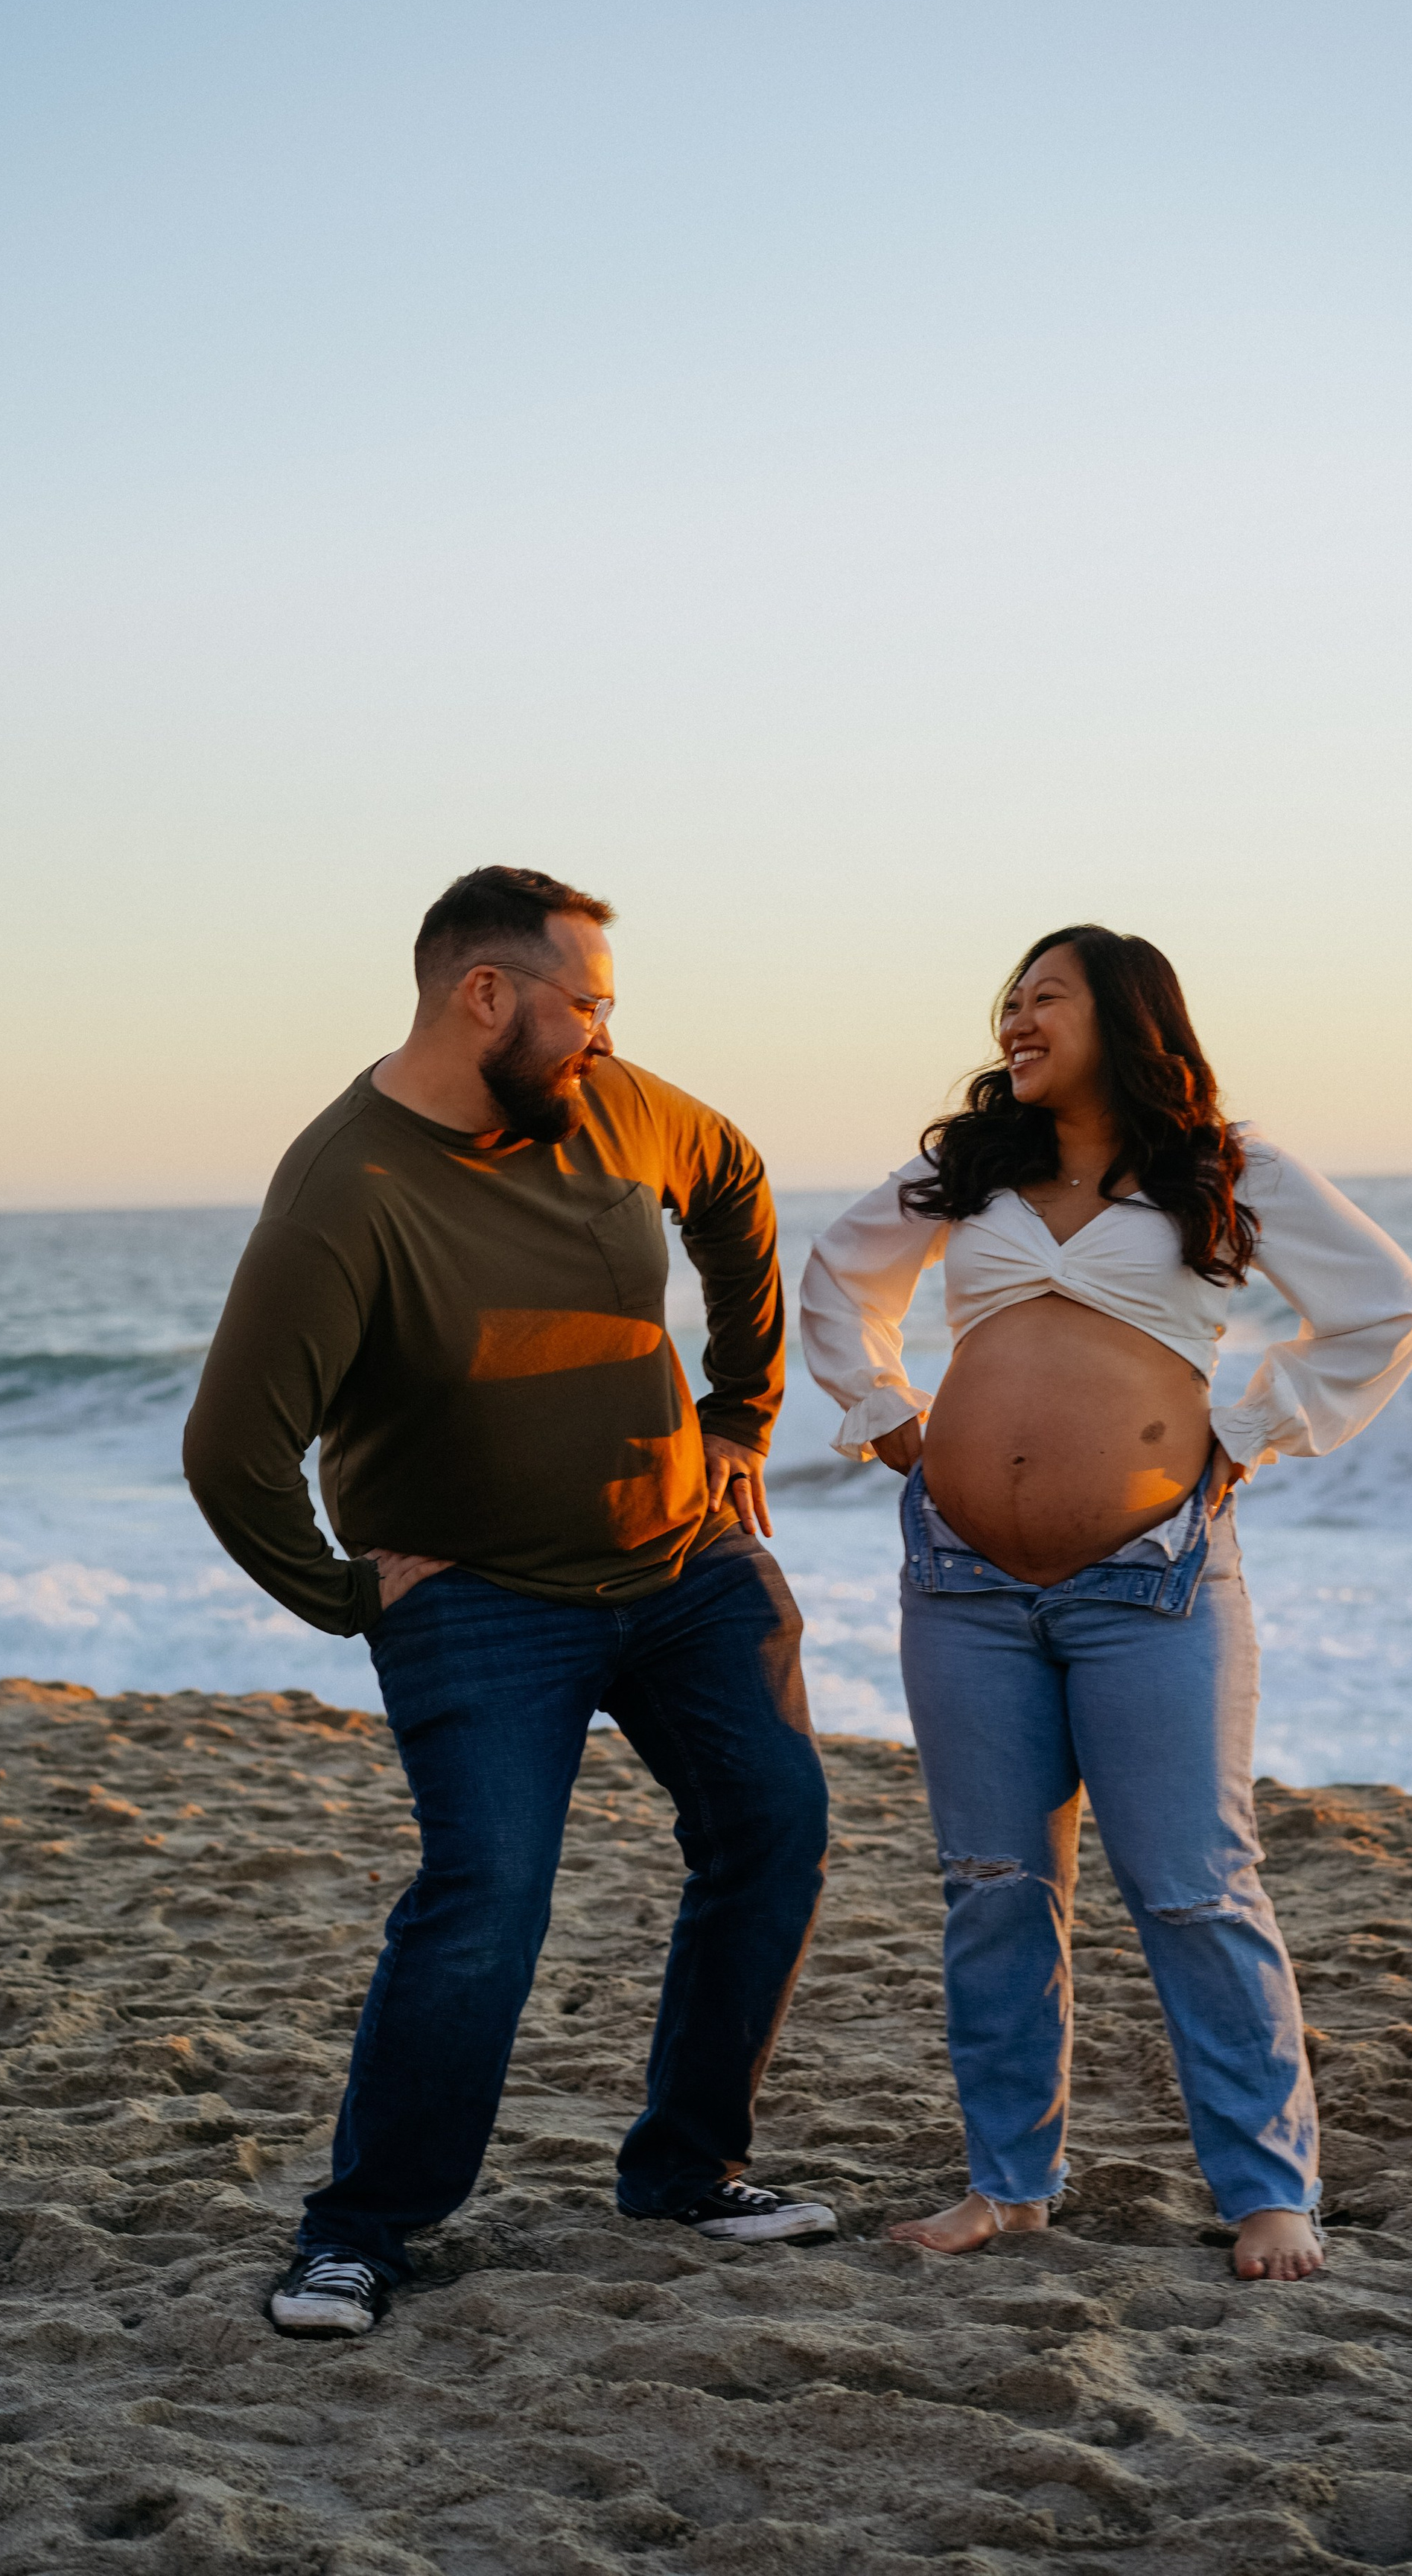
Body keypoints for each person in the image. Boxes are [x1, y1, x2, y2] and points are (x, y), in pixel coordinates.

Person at [183, 865, 835, 2336]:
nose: (603, 1034)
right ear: (486, 996)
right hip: (483, 1606)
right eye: (585, 1005)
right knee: (485, 1901)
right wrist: (347, 1594)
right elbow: (228, 1449)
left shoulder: (614, 1106)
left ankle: (685, 2170)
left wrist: (741, 1408)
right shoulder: (341, 1196)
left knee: (773, 1829)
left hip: (685, 1564)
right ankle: (360, 2232)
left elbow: (732, 1186)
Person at [799, 925, 1412, 2284]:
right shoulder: (968, 1169)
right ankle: (1010, 2187)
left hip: (1152, 1580)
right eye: (1010, 1003)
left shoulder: (1226, 1166)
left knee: (1196, 1888)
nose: (1016, 1022)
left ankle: (1270, 2193)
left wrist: (1247, 1428)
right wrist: (889, 1421)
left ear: (1127, 1017)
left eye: (1046, 1000)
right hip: (960, 1580)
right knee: (993, 1889)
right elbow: (838, 1281)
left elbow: (1385, 1310)